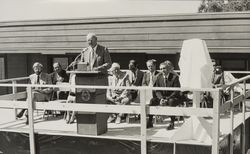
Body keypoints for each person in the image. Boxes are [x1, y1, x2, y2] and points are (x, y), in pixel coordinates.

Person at [148, 61, 182, 130]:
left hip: (172, 97)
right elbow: (157, 90)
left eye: (164, 68)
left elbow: (176, 91)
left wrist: (167, 98)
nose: (162, 70)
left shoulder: (174, 77)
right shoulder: (158, 77)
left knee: (171, 102)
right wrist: (161, 99)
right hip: (162, 97)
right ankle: (150, 121)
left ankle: (172, 123)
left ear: (168, 69)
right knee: (152, 101)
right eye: (160, 69)